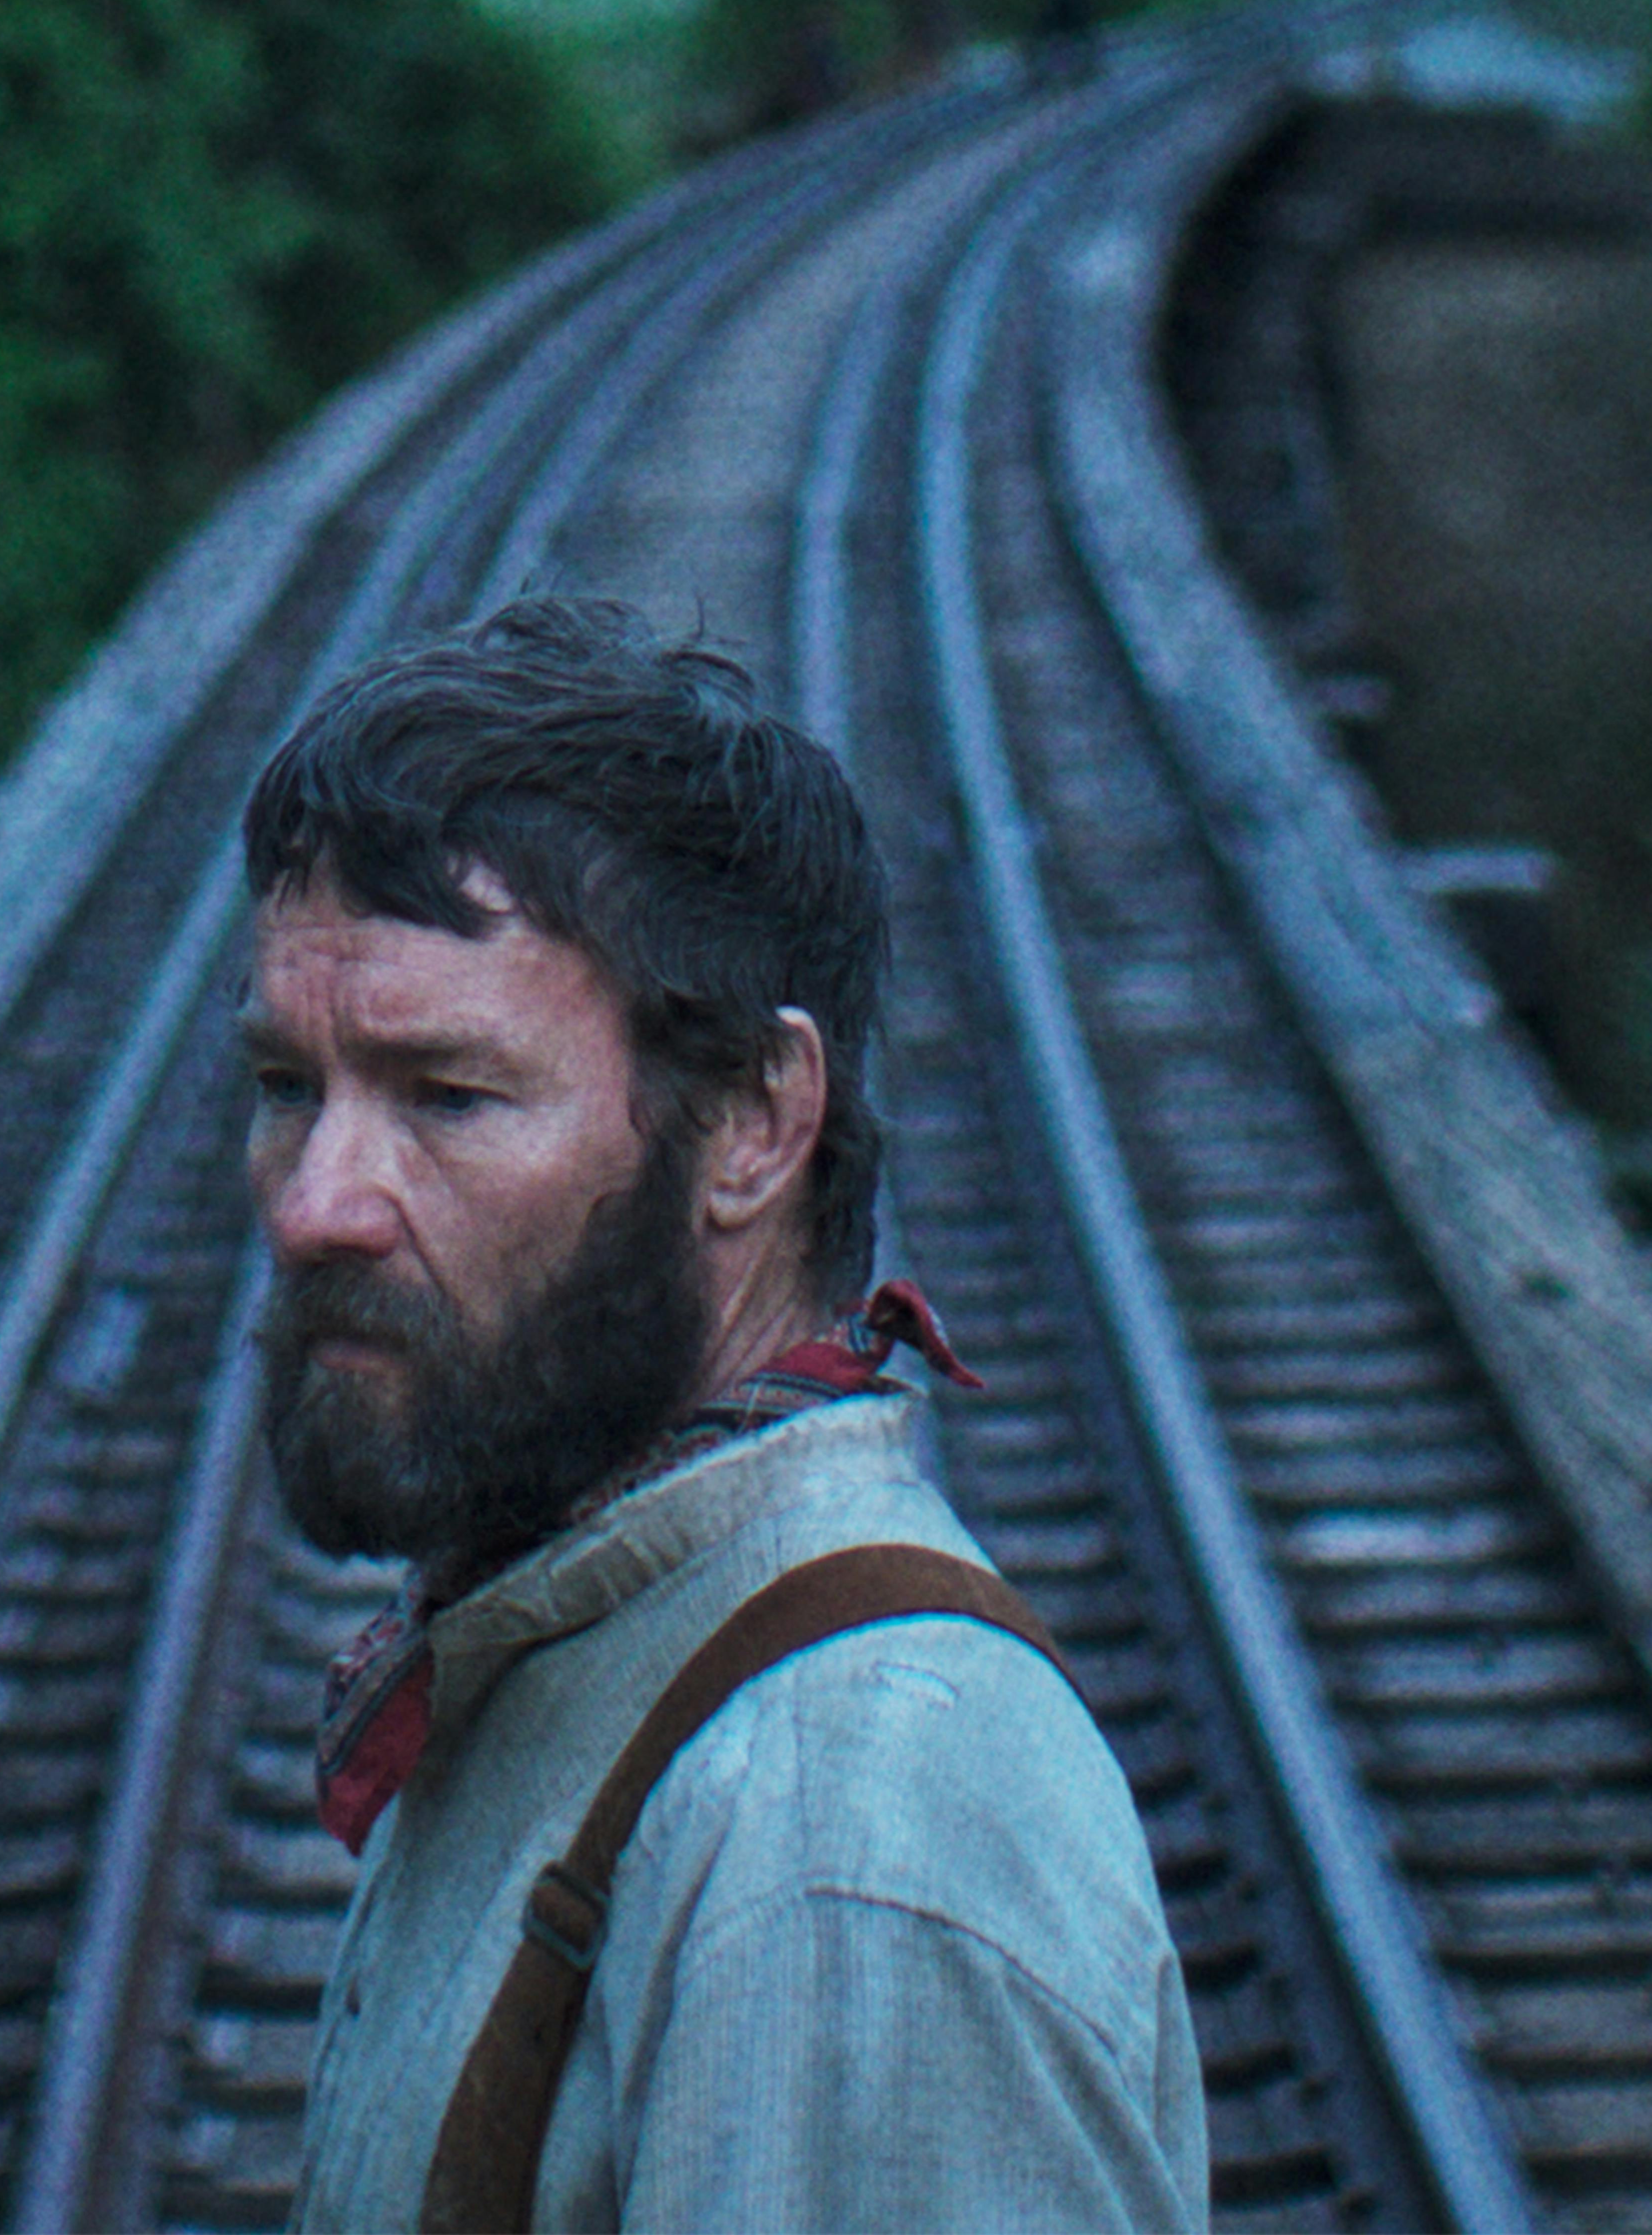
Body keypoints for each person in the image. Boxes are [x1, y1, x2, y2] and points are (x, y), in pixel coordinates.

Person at [238, 599, 1207, 2231]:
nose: (316, 1203)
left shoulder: (846, 1833)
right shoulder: (583, 1654)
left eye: (447, 1098)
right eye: (288, 1089)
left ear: (756, 1123)